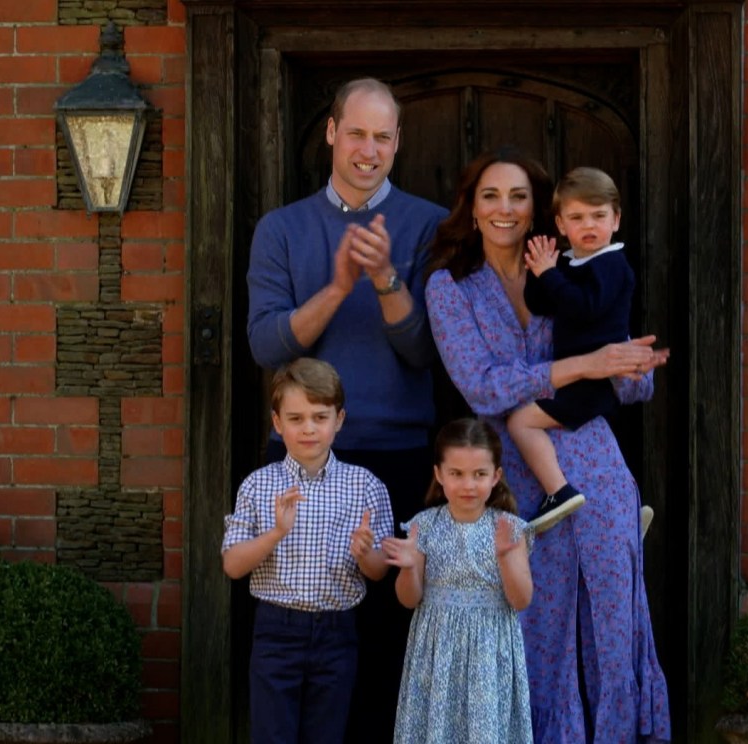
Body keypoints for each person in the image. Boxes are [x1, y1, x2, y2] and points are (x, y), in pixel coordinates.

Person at [425, 147, 672, 743]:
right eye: (491, 196)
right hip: (516, 482)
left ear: (541, 211)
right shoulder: (450, 286)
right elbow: (483, 389)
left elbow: (633, 385)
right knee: (533, 625)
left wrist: (631, 366)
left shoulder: (577, 265)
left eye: (518, 197)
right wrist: (584, 364)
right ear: (473, 208)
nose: (505, 209)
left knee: (613, 622)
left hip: (596, 465)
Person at [245, 77, 448, 742]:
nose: (368, 149)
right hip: (304, 457)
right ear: (331, 132)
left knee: (390, 634)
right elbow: (266, 342)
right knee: (307, 631)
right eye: (355, 133)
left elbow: (426, 352)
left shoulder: (429, 225)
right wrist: (337, 287)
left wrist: (387, 278)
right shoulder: (282, 229)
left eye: (381, 137)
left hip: (398, 456)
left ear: (397, 143)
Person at [221, 358, 393, 744]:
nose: (309, 429)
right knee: (272, 736)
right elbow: (232, 565)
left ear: (339, 419)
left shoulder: (364, 486)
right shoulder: (258, 485)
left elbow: (379, 571)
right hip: (276, 631)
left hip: (336, 632)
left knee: (327, 736)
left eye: (320, 417)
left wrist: (366, 553)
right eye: (296, 419)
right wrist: (276, 533)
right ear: (277, 423)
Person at [511, 166, 656, 534]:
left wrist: (550, 274)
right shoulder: (571, 263)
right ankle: (624, 513)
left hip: (594, 380)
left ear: (616, 219)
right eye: (577, 217)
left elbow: (582, 306)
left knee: (521, 421)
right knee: (595, 451)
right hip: (580, 376)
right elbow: (541, 303)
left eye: (598, 216)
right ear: (561, 225)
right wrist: (541, 270)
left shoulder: (612, 265)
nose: (588, 225)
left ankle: (557, 492)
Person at [382, 418, 534, 744]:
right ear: (439, 474)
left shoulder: (509, 529)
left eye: (479, 474)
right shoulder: (424, 525)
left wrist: (507, 557)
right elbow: (408, 599)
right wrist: (409, 568)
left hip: (489, 652)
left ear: (496, 477)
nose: (468, 485)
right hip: (437, 652)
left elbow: (521, 600)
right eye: (457, 474)